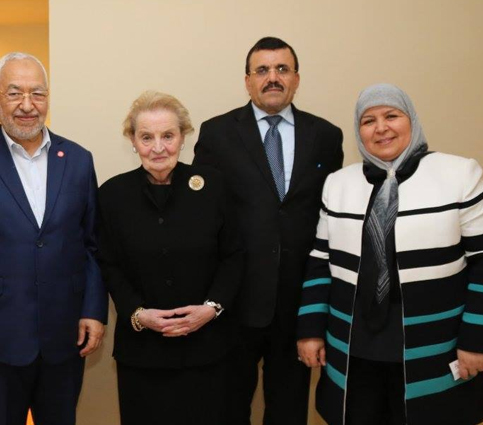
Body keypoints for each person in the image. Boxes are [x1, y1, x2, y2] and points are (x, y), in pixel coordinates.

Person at [296, 83, 483, 425]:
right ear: (358, 131)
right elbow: (320, 263)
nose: (381, 128)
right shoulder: (338, 184)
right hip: (355, 344)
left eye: (391, 115)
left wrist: (476, 339)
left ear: (411, 120)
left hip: (435, 341)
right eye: (368, 121)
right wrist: (309, 330)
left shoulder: (460, 174)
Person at [0, 52, 107, 425]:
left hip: (65, 336)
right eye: (14, 93)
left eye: (38, 93)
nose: (27, 106)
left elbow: (92, 246)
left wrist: (93, 311)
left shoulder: (79, 160)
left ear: (48, 98)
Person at [192, 36, 344, 424]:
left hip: (299, 306)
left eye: (282, 69)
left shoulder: (326, 136)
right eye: (262, 70)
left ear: (296, 78)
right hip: (234, 304)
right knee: (227, 408)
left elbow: (333, 219)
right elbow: (203, 220)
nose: (272, 78)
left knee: (290, 410)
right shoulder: (217, 134)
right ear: (247, 81)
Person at [98, 91, 244, 425]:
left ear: (183, 137)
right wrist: (137, 313)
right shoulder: (112, 195)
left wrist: (211, 309)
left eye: (168, 136)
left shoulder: (213, 186)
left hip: (208, 348)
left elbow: (234, 255)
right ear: (132, 141)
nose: (158, 147)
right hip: (142, 352)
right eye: (146, 137)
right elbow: (108, 263)